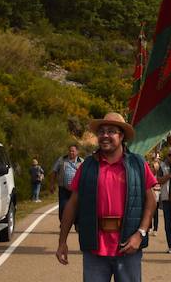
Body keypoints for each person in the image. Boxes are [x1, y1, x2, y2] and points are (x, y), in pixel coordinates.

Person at [55, 112, 158, 282]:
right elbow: (72, 204)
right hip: (94, 249)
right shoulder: (87, 166)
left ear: (122, 135)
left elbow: (151, 201)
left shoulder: (138, 164)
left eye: (111, 131)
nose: (105, 136)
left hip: (128, 247)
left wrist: (140, 234)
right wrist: (62, 242)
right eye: (101, 131)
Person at [51, 144, 84, 225]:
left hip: (76, 190)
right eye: (70, 150)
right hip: (64, 189)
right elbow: (54, 172)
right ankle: (63, 223)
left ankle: (77, 223)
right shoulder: (61, 160)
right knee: (63, 207)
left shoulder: (82, 162)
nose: (71, 152)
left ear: (77, 152)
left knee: (77, 208)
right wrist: (52, 184)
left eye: (73, 151)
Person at [149, 153, 161, 236]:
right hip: (150, 191)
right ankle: (149, 227)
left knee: (155, 211)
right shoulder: (150, 168)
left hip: (157, 192)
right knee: (149, 210)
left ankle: (155, 228)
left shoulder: (160, 169)